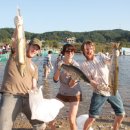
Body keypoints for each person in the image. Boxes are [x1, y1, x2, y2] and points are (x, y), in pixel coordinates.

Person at [0, 15, 46, 130]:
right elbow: (17, 40)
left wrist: (36, 92)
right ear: (27, 46)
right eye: (33, 47)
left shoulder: (35, 67)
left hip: (27, 98)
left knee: (41, 124)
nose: (34, 50)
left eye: (37, 49)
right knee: (3, 126)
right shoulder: (16, 55)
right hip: (11, 95)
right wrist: (18, 26)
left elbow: (34, 85)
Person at [80, 41, 125, 130]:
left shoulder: (100, 56)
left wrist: (115, 54)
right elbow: (89, 80)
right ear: (83, 52)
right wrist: (96, 85)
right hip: (98, 92)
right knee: (92, 117)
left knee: (121, 114)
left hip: (112, 89)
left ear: (93, 49)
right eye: (86, 49)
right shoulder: (84, 65)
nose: (89, 51)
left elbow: (109, 61)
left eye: (90, 48)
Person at [51, 44, 82, 130]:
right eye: (67, 51)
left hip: (74, 93)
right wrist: (59, 68)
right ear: (63, 52)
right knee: (51, 115)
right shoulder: (58, 62)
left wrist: (74, 77)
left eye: (72, 51)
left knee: (71, 120)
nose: (70, 53)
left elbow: (71, 85)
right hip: (62, 92)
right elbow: (55, 80)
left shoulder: (76, 66)